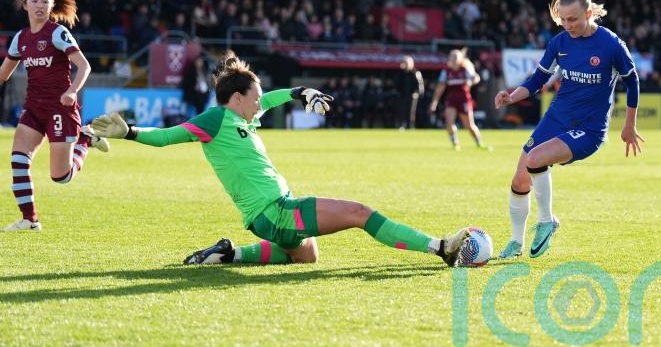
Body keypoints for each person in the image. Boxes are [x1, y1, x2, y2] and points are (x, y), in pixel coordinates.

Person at [90, 52, 470, 266]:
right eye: (253, 97)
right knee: (359, 212)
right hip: (276, 211)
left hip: (267, 218)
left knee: (307, 255)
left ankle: (227, 254)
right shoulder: (216, 118)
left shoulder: (241, 115)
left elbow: (270, 99)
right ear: (236, 98)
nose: (260, 103)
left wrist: (302, 91)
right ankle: (441, 248)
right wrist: (130, 132)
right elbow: (169, 136)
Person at [493, 0, 643, 260]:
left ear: (589, 14)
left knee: (535, 158)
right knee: (519, 178)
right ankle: (515, 243)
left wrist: (629, 125)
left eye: (572, 19)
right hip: (556, 118)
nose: (567, 25)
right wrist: (513, 97)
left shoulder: (611, 44)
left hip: (588, 129)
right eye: (562, 19)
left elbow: (632, 82)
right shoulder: (559, 43)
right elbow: (539, 79)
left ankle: (547, 221)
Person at [0, 0, 108, 231]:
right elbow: (4, 74)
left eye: (45, 1)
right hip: (33, 109)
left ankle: (85, 140)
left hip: (61, 109)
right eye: (35, 0)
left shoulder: (57, 33)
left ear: (51, 6)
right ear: (24, 5)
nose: (40, 5)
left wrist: (72, 91)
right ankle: (30, 220)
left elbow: (84, 65)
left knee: (61, 177)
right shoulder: (20, 38)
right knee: (18, 160)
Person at [429, 49, 490, 151]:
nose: (454, 59)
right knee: (449, 122)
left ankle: (479, 143)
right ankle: (455, 143)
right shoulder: (446, 72)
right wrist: (434, 102)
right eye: (452, 57)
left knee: (469, 125)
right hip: (451, 100)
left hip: (464, 99)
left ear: (460, 59)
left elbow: (475, 77)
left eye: (456, 57)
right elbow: (440, 88)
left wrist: (474, 79)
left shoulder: (465, 69)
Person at [397, 55, 425, 129]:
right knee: (402, 110)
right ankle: (402, 125)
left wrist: (418, 93)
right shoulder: (401, 73)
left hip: (413, 96)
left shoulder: (415, 72)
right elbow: (398, 84)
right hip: (403, 95)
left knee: (411, 111)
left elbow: (420, 85)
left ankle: (411, 126)